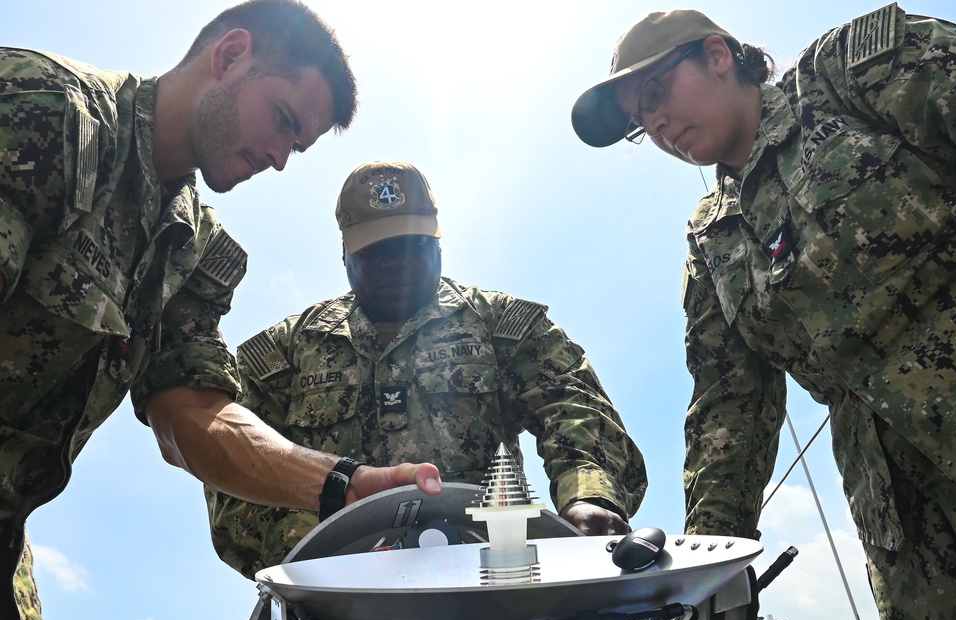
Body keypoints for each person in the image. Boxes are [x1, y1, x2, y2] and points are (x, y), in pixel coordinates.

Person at [0, 3, 441, 620]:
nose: (279, 158)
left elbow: (193, 413)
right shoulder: (48, 114)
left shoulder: (195, 252)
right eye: (284, 121)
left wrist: (340, 484)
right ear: (230, 55)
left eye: (297, 147)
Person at [572, 4, 956, 620]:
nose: (653, 123)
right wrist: (709, 586)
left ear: (718, 56)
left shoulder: (849, 75)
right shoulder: (713, 238)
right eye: (638, 120)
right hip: (906, 532)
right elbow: (729, 417)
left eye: (655, 92)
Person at [204, 160, 649, 578]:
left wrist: (587, 495)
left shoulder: (502, 327)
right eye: (376, 251)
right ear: (345, 254)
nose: (395, 264)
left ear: (438, 241)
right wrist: (325, 553)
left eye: (412, 246)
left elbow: (574, 406)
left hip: (489, 582)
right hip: (334, 599)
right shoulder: (284, 354)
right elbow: (234, 466)